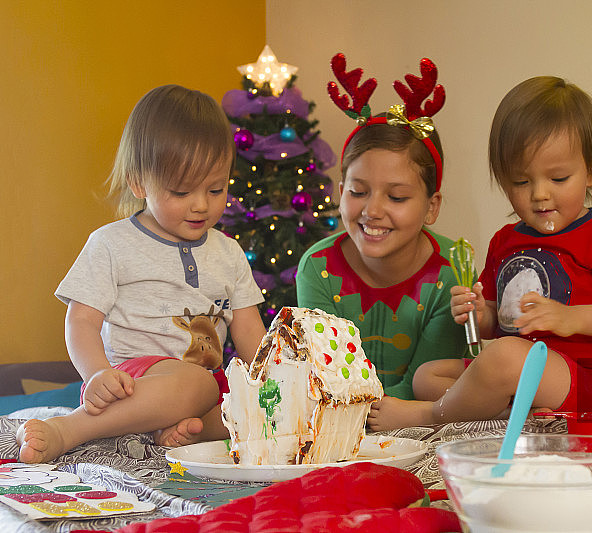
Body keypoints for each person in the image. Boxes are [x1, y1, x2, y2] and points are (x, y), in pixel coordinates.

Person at [368, 76, 592, 431]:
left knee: (504, 357)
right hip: (520, 377)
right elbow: (498, 320)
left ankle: (430, 415)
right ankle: (509, 415)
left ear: (591, 170)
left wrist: (572, 318)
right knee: (429, 375)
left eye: (558, 178)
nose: (539, 194)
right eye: (521, 182)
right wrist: (478, 312)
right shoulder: (505, 240)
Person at [16, 85, 267, 463]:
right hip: (129, 381)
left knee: (255, 410)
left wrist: (269, 382)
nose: (201, 205)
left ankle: (171, 430)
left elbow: (248, 330)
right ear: (139, 182)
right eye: (182, 192)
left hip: (202, 388)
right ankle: (68, 429)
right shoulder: (112, 244)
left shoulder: (228, 252)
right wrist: (97, 374)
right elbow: (81, 321)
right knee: (196, 384)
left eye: (216, 189)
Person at [296, 55, 469, 401]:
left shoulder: (451, 270)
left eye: (397, 197)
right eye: (358, 192)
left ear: (431, 207)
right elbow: (327, 376)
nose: (372, 210)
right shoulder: (317, 268)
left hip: (421, 416)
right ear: (340, 192)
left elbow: (429, 385)